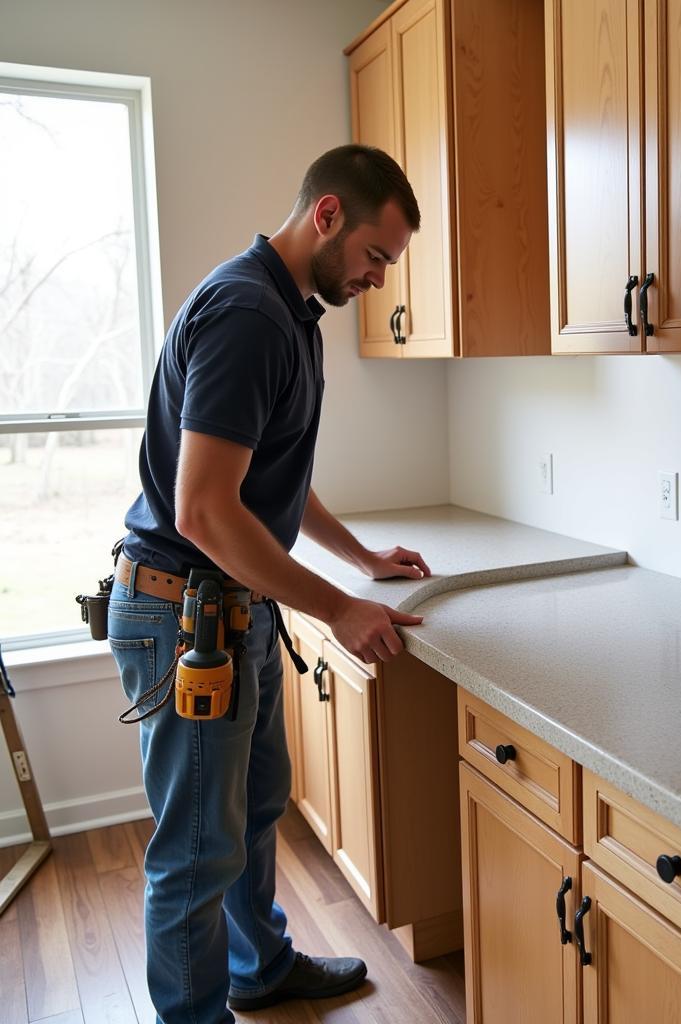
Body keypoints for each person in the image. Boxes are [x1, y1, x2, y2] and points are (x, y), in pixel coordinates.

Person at [107, 144, 428, 1023]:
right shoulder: (250, 314)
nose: (378, 279)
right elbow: (204, 512)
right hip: (187, 619)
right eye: (375, 257)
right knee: (197, 851)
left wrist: (359, 560)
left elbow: (265, 475)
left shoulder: (289, 313)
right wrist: (336, 606)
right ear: (327, 215)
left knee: (251, 811)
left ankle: (258, 968)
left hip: (229, 610)